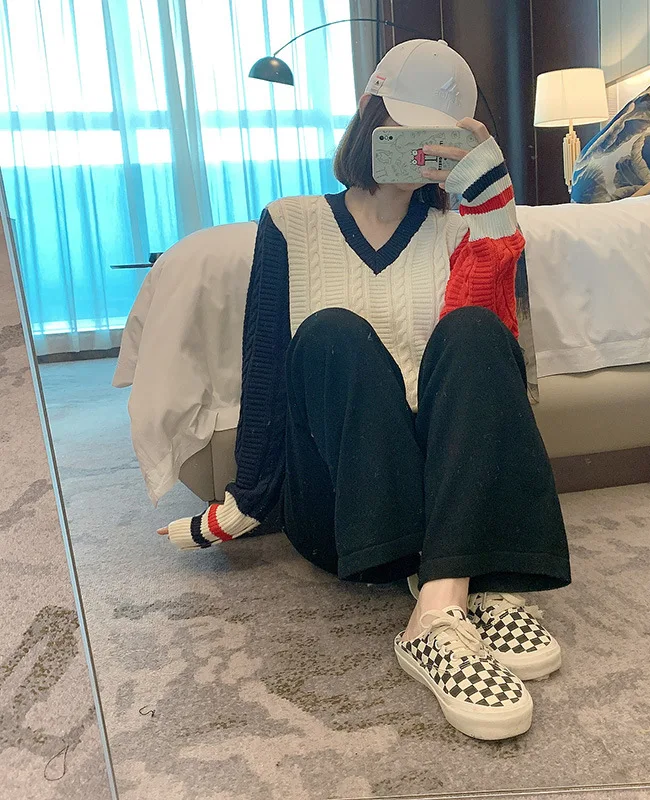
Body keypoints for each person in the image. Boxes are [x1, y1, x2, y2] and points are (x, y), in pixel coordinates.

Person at [158, 38, 570, 741]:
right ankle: (467, 570)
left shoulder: (456, 229)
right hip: (345, 510)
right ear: (371, 116)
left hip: (442, 490)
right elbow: (266, 380)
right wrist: (243, 504)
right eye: (404, 127)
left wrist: (490, 197)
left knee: (475, 328)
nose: (419, 148)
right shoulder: (289, 222)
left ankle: (442, 601)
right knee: (331, 333)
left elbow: (500, 357)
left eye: (439, 137)